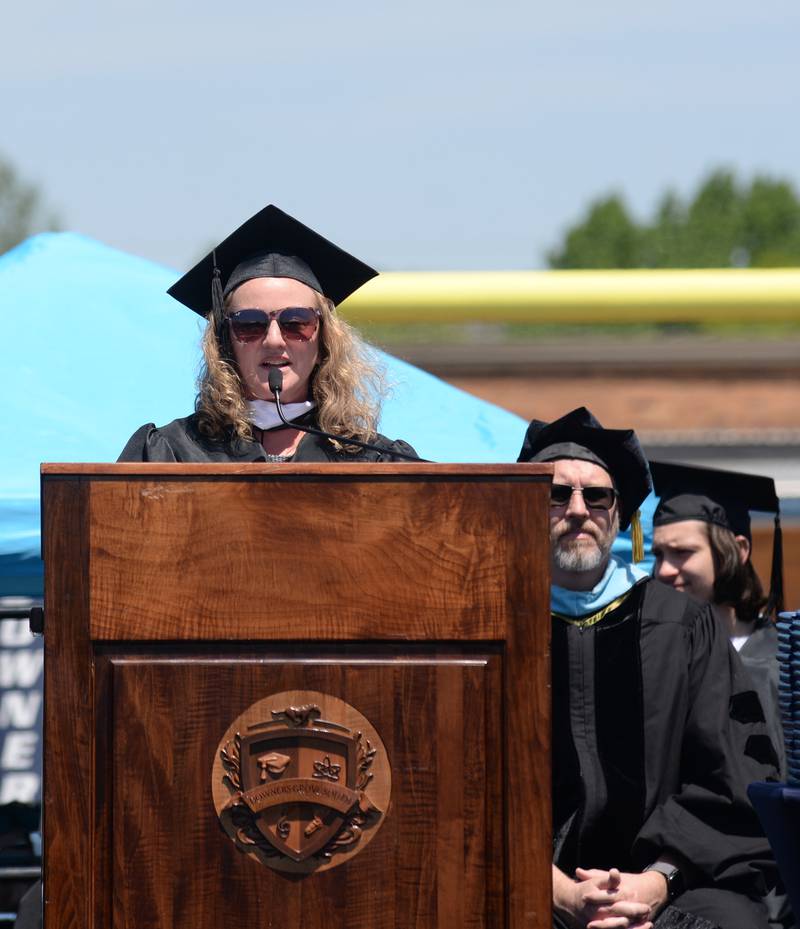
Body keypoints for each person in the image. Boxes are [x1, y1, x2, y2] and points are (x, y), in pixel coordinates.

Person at [517, 407, 779, 929]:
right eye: (555, 494)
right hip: (526, 882)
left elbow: (731, 778)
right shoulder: (494, 624)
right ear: (523, 509)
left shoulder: (683, 624)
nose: (577, 509)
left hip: (667, 879)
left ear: (617, 516)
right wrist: (560, 892)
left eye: (597, 496)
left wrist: (653, 882)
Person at [119, 204, 416, 463]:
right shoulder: (172, 454)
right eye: (249, 324)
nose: (274, 340)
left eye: (296, 322)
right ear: (224, 341)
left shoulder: (375, 462)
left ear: (325, 338)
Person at [650, 461, 786, 777]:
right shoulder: (655, 659)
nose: (664, 570)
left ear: (738, 551)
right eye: (658, 555)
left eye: (682, 552)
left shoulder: (784, 661)